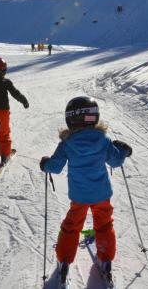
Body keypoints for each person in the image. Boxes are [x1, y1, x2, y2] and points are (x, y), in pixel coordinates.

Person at [40, 96, 132, 285]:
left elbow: (55, 167)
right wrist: (123, 151)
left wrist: (45, 164)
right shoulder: (103, 140)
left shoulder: (67, 143)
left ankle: (64, 260)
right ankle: (105, 259)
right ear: (94, 117)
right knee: (104, 224)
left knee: (72, 226)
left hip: (80, 196)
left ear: (70, 119)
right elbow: (115, 161)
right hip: (101, 194)